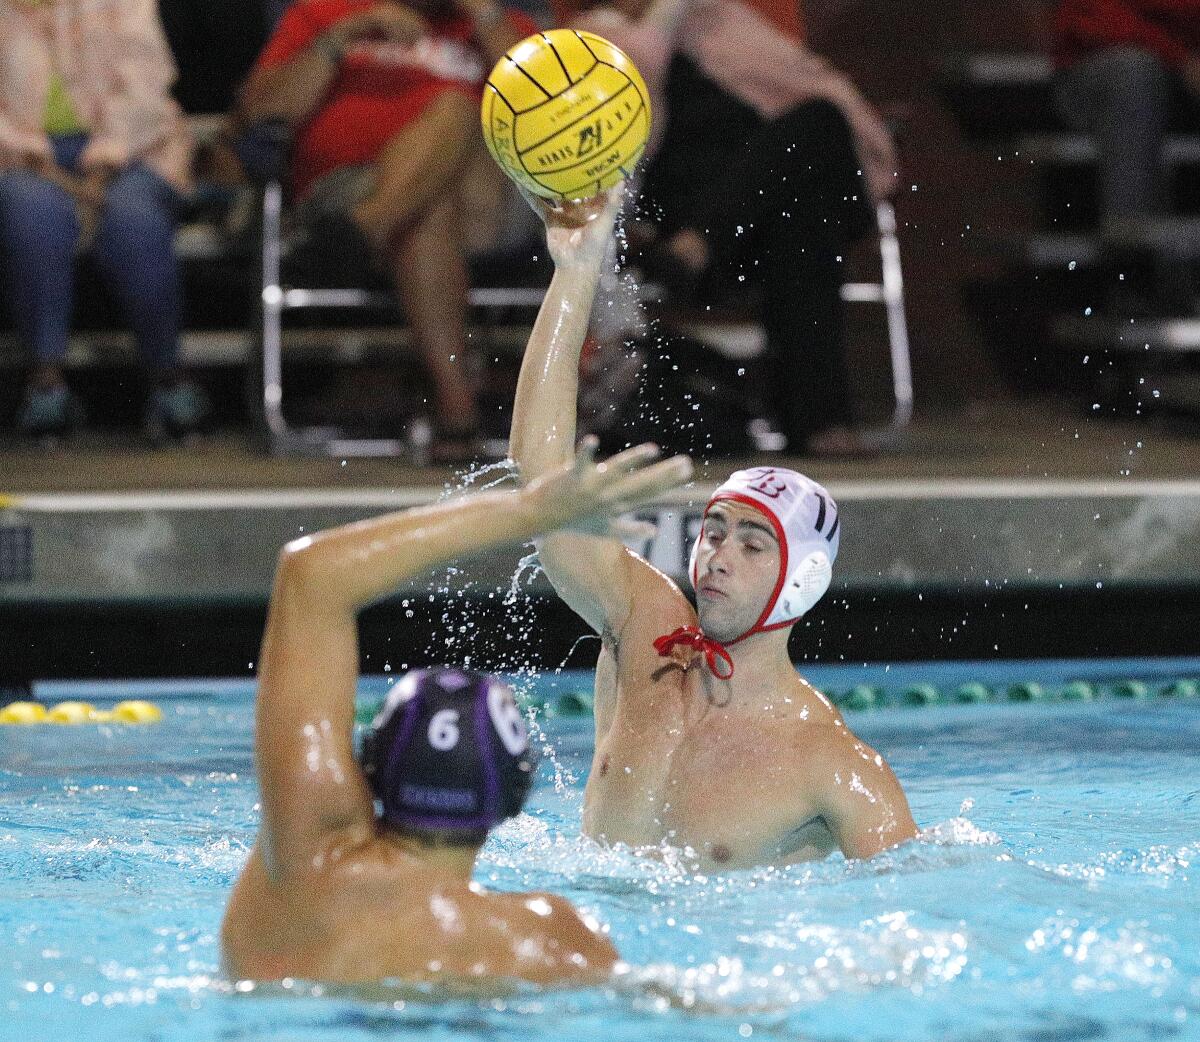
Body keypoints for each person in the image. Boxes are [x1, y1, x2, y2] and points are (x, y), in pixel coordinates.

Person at [509, 185, 917, 871]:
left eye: (754, 545)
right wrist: (573, 273)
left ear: (803, 580)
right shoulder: (644, 635)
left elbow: (914, 921)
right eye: (716, 530)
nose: (718, 556)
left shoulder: (830, 765)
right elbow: (541, 487)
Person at [221, 393, 692, 982]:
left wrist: (527, 512)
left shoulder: (303, 868)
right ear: (514, 796)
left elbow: (310, 576)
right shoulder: (545, 942)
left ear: (367, 768)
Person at [565, 0, 898, 457]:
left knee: (811, 158)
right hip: (667, 219)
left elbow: (812, 82)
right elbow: (630, 129)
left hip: (750, 224)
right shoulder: (588, 38)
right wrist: (668, 13)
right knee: (807, 186)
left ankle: (699, 243)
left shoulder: (722, 18)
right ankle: (820, 420)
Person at [238, 0, 538, 462]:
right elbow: (261, 112)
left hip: (485, 205)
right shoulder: (328, 12)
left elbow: (554, 114)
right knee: (427, 212)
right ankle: (457, 408)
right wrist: (345, 34)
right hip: (351, 186)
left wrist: (486, 18)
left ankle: (361, 235)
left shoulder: (503, 25)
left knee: (457, 110)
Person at [0, 0, 206, 440]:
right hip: (21, 158)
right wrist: (35, 161)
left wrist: (100, 168)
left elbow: (146, 87)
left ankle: (170, 379)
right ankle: (46, 385)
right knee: (30, 212)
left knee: (134, 221)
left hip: (134, 149)